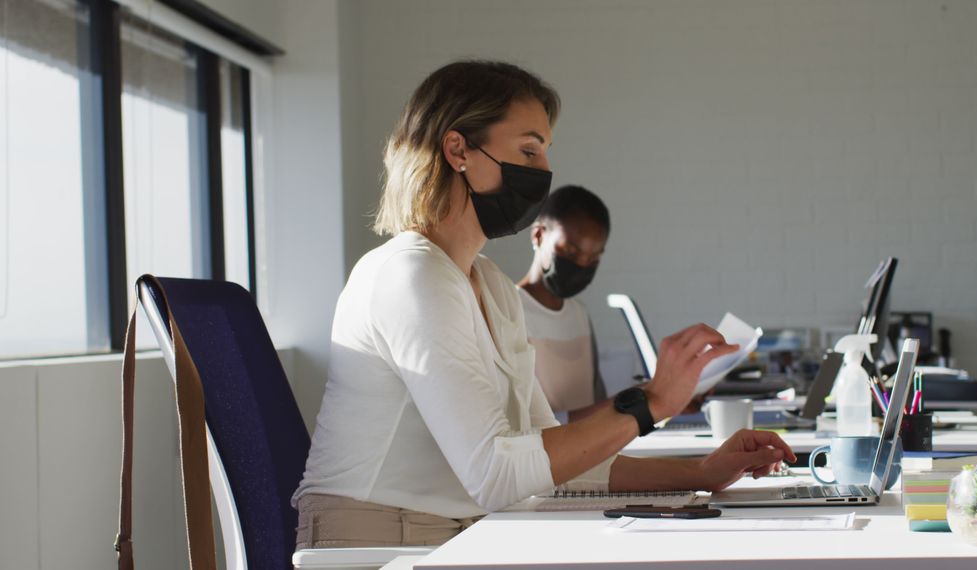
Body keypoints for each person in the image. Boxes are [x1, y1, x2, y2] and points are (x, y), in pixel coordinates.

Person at [291, 60, 795, 550]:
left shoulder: (489, 284)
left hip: (458, 533)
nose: (545, 171)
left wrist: (701, 472)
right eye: (529, 152)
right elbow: (496, 473)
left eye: (546, 153)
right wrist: (651, 403)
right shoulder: (410, 274)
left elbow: (548, 459)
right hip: (372, 545)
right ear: (457, 149)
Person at [517, 185, 612, 423]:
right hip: (544, 457)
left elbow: (597, 402)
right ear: (538, 235)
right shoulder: (508, 309)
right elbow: (519, 423)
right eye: (570, 253)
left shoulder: (579, 314)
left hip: (590, 454)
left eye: (593, 259)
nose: (581, 266)